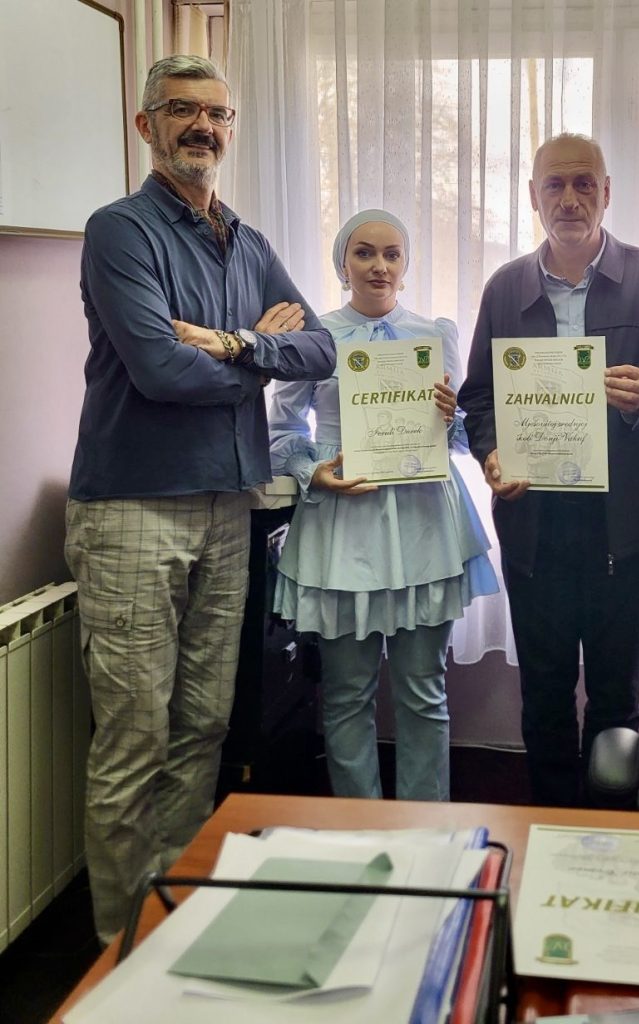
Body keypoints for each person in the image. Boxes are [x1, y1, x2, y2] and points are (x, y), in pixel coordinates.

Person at [64, 55, 334, 945]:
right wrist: (257, 352)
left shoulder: (246, 241)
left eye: (218, 114)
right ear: (146, 125)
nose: (203, 127)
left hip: (229, 506)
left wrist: (230, 343)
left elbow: (321, 348)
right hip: (134, 510)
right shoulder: (120, 231)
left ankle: (170, 926)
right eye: (182, 110)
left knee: (204, 728)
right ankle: (117, 949)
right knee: (135, 738)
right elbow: (159, 371)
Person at [458, 133, 639, 807]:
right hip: (533, 526)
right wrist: (490, 453)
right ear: (532, 196)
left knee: (615, 696)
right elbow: (478, 399)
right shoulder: (505, 287)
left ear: (606, 192)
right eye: (554, 185)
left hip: (624, 528)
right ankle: (549, 825)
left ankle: (609, 827)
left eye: (583, 184)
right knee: (542, 693)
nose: (569, 199)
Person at [268, 209, 499, 802]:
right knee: (347, 695)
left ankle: (427, 829)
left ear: (405, 263)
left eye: (392, 254)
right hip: (343, 526)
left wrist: (450, 416)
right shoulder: (315, 338)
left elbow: (457, 438)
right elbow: (281, 430)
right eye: (365, 253)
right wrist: (313, 471)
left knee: (425, 690)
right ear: (342, 263)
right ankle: (358, 830)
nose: (379, 266)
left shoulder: (434, 333)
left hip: (423, 525)